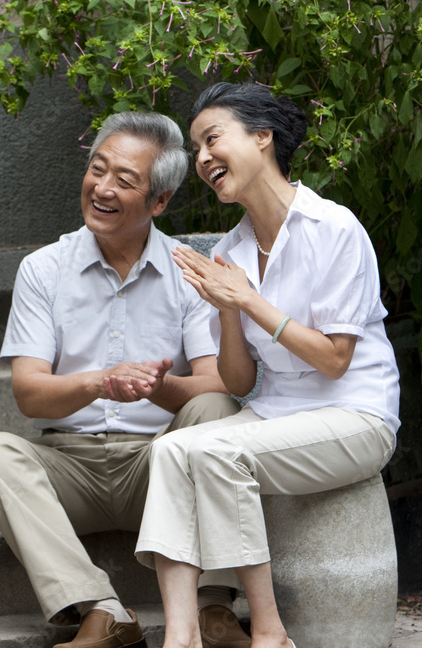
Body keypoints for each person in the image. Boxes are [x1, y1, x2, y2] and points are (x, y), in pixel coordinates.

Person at [0, 112, 249, 648]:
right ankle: (103, 608)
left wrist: (154, 388)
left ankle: (213, 605)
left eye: (125, 180)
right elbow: (29, 394)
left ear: (159, 202)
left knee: (217, 415)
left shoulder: (191, 273)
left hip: (158, 466)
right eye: (98, 170)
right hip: (70, 464)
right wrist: (101, 382)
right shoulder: (43, 269)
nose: (103, 187)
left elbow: (218, 383)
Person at [135, 82, 401, 648]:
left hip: (355, 415)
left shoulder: (334, 229)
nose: (203, 159)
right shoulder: (229, 251)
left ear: (262, 137)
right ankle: (181, 637)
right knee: (170, 450)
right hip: (277, 415)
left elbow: (334, 359)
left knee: (215, 449)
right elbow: (240, 382)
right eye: (197, 150)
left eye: (213, 139)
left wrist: (248, 300)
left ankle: (271, 632)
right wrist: (228, 312)